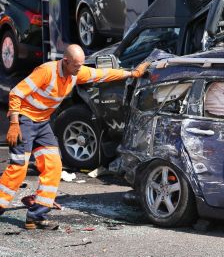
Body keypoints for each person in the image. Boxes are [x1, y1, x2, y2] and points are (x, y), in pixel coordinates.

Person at [0, 44, 150, 229]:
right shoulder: (46, 71)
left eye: (80, 66)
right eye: (76, 66)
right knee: (18, 168)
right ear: (65, 61)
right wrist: (14, 123)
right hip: (25, 121)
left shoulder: (76, 72)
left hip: (42, 123)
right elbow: (16, 93)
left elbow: (102, 74)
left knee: (54, 166)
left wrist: (131, 74)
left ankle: (36, 216)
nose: (79, 70)